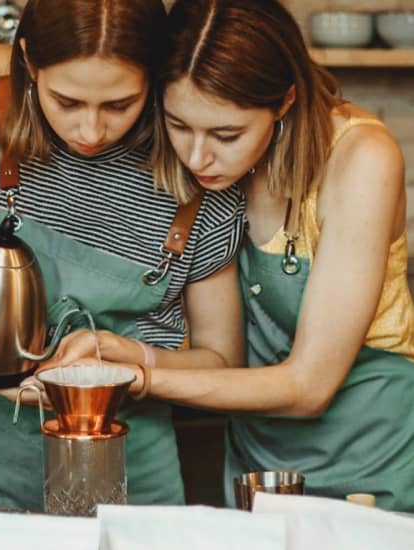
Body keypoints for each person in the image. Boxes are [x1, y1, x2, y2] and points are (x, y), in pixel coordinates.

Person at [41, 0, 414, 512]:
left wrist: (141, 377)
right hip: (256, 469)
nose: (197, 157)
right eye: (178, 125)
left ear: (283, 102)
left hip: (368, 470)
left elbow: (309, 387)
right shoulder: (218, 171)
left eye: (227, 134)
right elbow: (16, 56)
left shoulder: (361, 159)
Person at [0, 0, 246, 510]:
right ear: (30, 64)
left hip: (133, 498)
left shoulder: (199, 172)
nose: (90, 132)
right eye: (67, 102)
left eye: (119, 105)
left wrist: (129, 368)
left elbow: (222, 362)